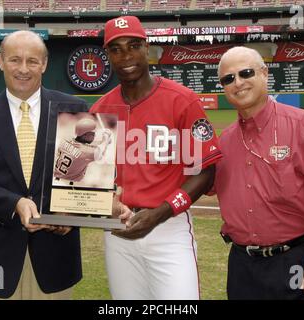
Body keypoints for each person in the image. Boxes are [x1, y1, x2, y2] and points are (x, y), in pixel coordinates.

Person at [90, 16, 223, 299]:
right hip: (118, 229)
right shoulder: (100, 109)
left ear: (146, 48)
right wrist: (107, 203)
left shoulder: (181, 100)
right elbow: (89, 180)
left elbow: (205, 170)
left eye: (133, 45)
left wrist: (161, 212)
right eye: (116, 49)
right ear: (108, 56)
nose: (126, 56)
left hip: (168, 227)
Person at [0, 30, 88, 300]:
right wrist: (14, 203)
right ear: (0, 61)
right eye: (15, 60)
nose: (23, 69)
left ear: (44, 64)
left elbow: (86, 178)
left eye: (32, 61)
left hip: (55, 257)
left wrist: (72, 217)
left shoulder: (73, 110)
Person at [214, 46, 304, 300]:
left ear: (264, 73)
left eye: (245, 73)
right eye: (228, 79)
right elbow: (202, 181)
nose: (238, 83)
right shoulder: (225, 140)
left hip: (296, 258)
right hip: (243, 266)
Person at [54, 117, 112, 183]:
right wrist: (106, 139)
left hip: (55, 180)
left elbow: (87, 147)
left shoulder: (65, 140)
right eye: (93, 134)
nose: (95, 136)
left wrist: (104, 141)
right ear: (85, 135)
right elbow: (100, 156)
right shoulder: (86, 152)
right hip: (68, 185)